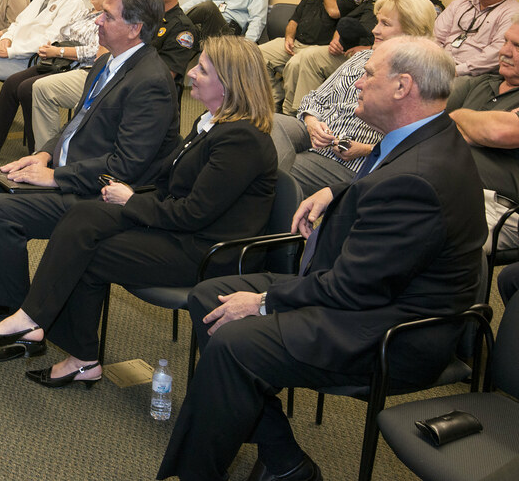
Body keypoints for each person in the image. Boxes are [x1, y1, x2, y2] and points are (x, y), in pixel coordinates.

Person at [157, 36, 486, 481]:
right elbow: (385, 183)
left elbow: (354, 287)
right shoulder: (427, 137)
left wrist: (262, 303)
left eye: (369, 74)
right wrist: (338, 189)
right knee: (211, 296)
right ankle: (285, 460)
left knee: (237, 344)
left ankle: (196, 472)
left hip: (394, 327)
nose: (357, 84)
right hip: (365, 294)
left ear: (402, 87)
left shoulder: (420, 179)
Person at [0, 37, 277, 376]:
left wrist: (131, 201)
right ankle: (35, 324)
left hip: (205, 250)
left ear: (229, 86)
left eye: (203, 69)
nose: (191, 73)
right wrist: (126, 194)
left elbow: (194, 213)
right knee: (84, 216)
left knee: (89, 252)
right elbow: (170, 181)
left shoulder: (241, 139)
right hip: (179, 229)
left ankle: (70, 350)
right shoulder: (211, 123)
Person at [0, 0, 179, 326]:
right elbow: (76, 126)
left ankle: (14, 313)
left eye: (108, 17)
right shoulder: (106, 64)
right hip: (71, 171)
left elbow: (127, 165)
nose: (97, 21)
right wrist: (44, 155)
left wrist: (56, 176)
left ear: (135, 29)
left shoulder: (151, 82)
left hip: (98, 193)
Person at [272, 0, 437, 198]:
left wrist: (367, 149)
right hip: (316, 134)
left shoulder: (417, 77)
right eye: (377, 22)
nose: (374, 30)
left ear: (411, 30)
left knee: (275, 171)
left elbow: (415, 143)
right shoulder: (362, 57)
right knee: (270, 123)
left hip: (347, 161)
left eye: (385, 24)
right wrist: (312, 122)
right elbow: (315, 97)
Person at [0, 0, 121, 162]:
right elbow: (35, 26)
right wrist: (9, 39)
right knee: (12, 84)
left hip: (72, 65)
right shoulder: (85, 12)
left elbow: (94, 51)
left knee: (28, 88)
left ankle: (39, 154)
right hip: (58, 61)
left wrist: (59, 49)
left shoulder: (107, 18)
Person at [29, 0, 198, 149]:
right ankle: (51, 154)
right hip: (112, 76)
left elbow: (165, 74)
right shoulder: (136, 15)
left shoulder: (181, 28)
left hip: (143, 99)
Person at [281, 0, 445, 115]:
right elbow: (348, 19)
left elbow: (421, 40)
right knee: (307, 58)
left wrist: (368, 48)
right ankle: (296, 114)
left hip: (382, 57)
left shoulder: (427, 5)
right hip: (350, 51)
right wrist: (336, 39)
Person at [446, 19, 519, 261]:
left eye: (517, 46)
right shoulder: (481, 83)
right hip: (442, 182)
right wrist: (475, 129)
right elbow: (433, 125)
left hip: (493, 204)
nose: (505, 51)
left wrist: (459, 116)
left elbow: (500, 133)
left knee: (438, 239)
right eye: (505, 41)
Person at [259, 0, 365, 109]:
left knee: (295, 64)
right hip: (297, 43)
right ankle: (274, 98)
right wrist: (289, 38)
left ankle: (291, 112)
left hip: (321, 49)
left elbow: (333, 11)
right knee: (256, 54)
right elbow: (294, 19)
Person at [435, 0, 519, 76]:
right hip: (440, 65)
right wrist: (437, 62)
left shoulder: (513, 13)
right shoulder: (459, 4)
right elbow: (435, 36)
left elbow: (496, 53)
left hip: (476, 74)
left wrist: (456, 71)